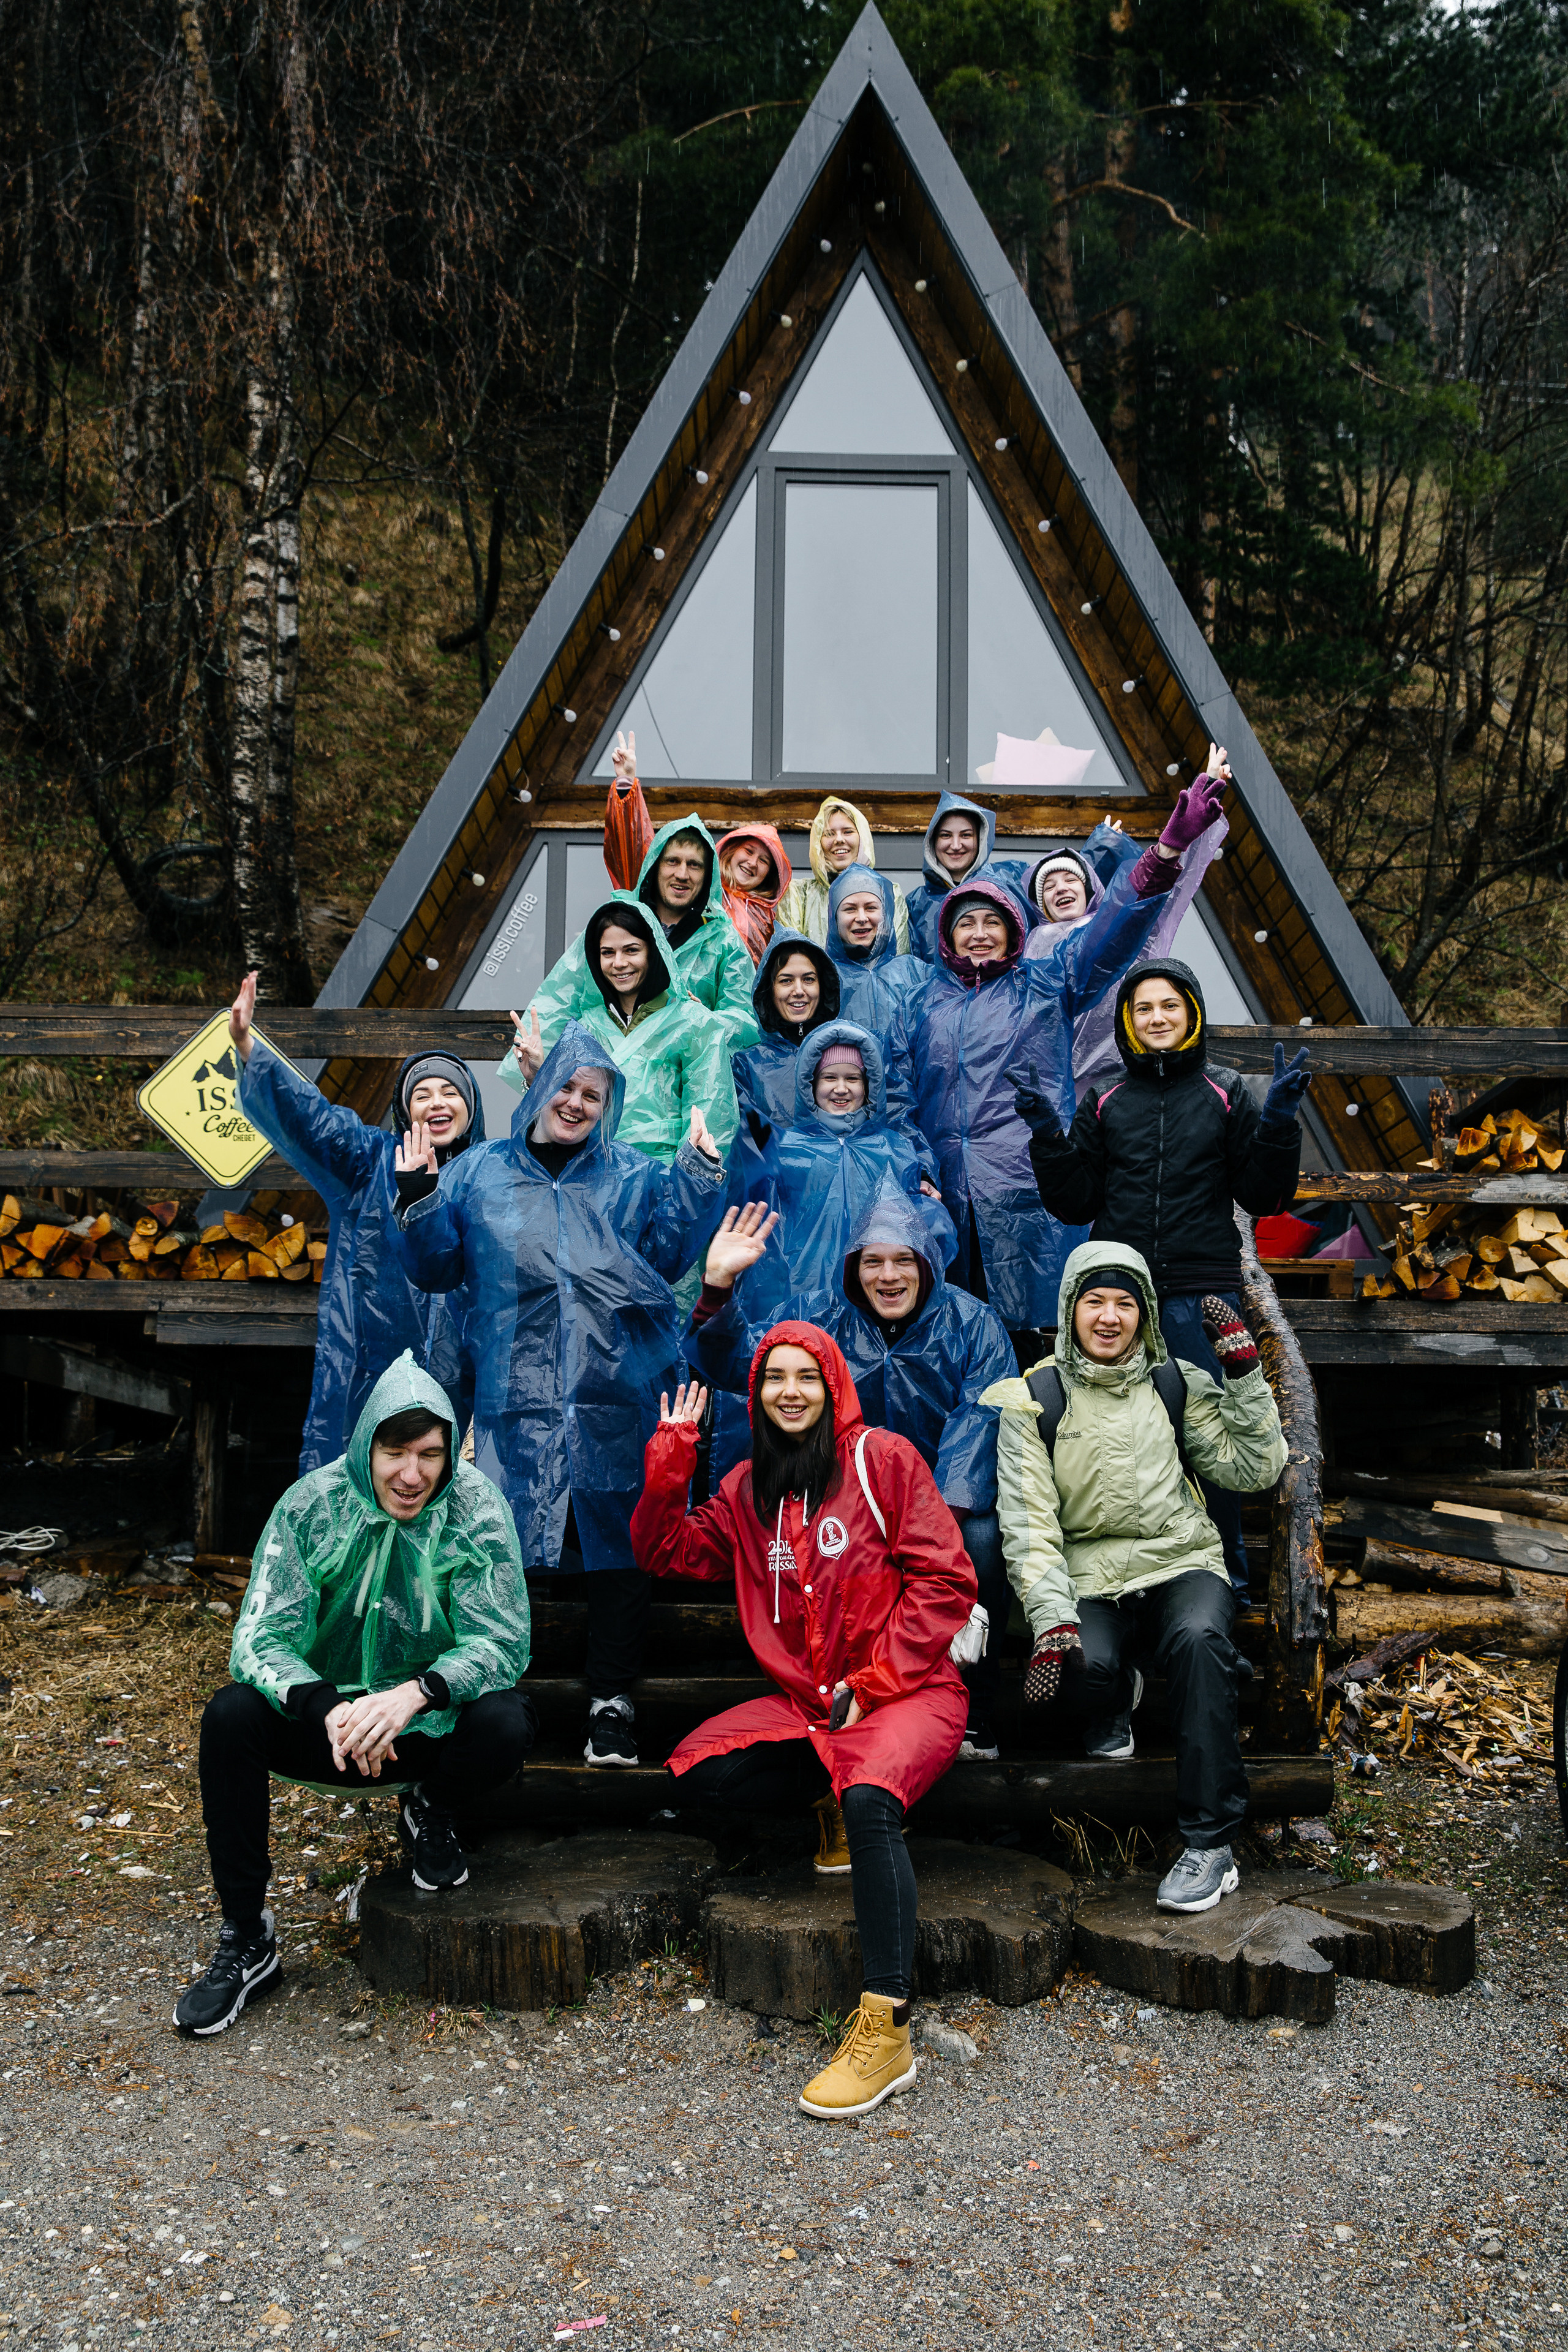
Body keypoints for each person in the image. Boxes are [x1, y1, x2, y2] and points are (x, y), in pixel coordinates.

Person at [630, 1329, 976, 2117]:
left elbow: (946, 1583)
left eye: (806, 1377)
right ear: (756, 1397)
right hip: (814, 1707)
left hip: (908, 1692)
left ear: (833, 1387)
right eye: (774, 1379)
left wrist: (875, 1681)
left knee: (871, 1798)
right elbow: (665, 1552)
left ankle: (886, 2029)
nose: (790, 1392)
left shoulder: (881, 1460)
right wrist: (672, 1456)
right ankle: (830, 1798)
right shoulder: (748, 1488)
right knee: (700, 1770)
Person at [393, 1020, 728, 1768]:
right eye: (567, 1087)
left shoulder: (633, 1175)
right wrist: (418, 1196)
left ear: (608, 1105)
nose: (576, 1103)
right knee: (504, 1547)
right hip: (513, 1396)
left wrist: (698, 1175)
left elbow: (668, 1254)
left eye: (593, 1094)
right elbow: (436, 1269)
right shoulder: (478, 1172)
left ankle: (611, 1705)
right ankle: (499, 1700)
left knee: (618, 1550)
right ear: (541, 1087)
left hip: (613, 1393)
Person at [177, 1354, 533, 2035]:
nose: (412, 1474)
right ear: (366, 1446)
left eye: (429, 1455)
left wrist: (415, 1695)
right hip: (332, 1731)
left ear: (448, 1454)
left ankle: (432, 1809)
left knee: (506, 1718)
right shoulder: (311, 1505)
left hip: (424, 1730)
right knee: (229, 1714)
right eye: (395, 1452)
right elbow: (260, 1636)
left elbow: (501, 1639)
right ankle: (247, 1936)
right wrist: (329, 1708)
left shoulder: (476, 1507)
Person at [981, 1243, 1286, 1913]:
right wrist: (1052, 1618)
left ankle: (1211, 1843)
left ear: (1144, 1313)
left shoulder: (1175, 1383)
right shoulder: (1036, 1399)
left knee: (1201, 1641)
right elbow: (1030, 1525)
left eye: (1125, 1302)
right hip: (1089, 1575)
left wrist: (1243, 1377)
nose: (1109, 1317)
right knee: (1077, 1671)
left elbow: (1252, 1469)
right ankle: (1123, 1691)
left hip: (1180, 1560)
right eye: (1095, 1301)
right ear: (1071, 1309)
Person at [888, 779, 1221, 1362]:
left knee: (1045, 1344)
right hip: (945, 1196)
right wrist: (916, 1166)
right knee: (953, 1338)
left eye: (992, 922)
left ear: (1014, 929)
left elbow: (1112, 928)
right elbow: (897, 1096)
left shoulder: (1046, 983)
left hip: (1027, 1190)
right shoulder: (919, 1003)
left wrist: (1166, 851)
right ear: (947, 934)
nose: (979, 933)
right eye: (966, 923)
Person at [1014, 956, 1309, 1591]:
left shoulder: (1225, 1091)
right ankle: (1123, 1579)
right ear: (1128, 1019)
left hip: (1201, 1294)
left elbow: (1264, 1194)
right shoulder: (1106, 1098)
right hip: (1119, 1295)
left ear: (1191, 1013)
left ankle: (1225, 1579)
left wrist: (1279, 1125)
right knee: (1121, 1437)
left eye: (1169, 1005)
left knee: (1211, 1436)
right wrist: (1047, 1137)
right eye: (1143, 1007)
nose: (1157, 1018)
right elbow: (1076, 1202)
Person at [690, 1188, 1015, 1758]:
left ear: (927, 1263)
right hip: (835, 1501)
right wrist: (718, 1288)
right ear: (852, 1268)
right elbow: (744, 1363)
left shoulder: (972, 1323)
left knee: (984, 1543)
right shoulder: (817, 1317)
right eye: (873, 1261)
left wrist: (933, 1516)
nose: (888, 1275)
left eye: (903, 1259)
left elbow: (980, 1418)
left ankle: (976, 1705)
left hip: (939, 1504)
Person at [228, 970, 483, 1474]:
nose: (437, 1102)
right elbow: (313, 1120)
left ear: (470, 1106)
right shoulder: (368, 1162)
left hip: (462, 1374)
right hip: (371, 1367)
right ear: (405, 1111)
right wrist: (249, 1049)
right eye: (423, 1094)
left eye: (450, 1092)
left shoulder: (490, 1173)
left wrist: (538, 1077)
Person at [1003, 749, 1231, 1090]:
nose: (1060, 888)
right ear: (1041, 907)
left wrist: (1206, 791)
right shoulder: (1032, 947)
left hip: (1129, 1076)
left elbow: (1175, 885)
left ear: (1090, 890)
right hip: (1059, 1085)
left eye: (1071, 880)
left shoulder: (1124, 927)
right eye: (1048, 886)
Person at [543, 734, 756, 1057]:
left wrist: (703, 1021)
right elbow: (561, 1001)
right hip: (609, 1077)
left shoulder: (723, 940)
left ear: (708, 876)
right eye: (672, 861)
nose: (682, 874)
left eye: (694, 865)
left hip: (686, 1081)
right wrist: (539, 1067)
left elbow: (746, 1021)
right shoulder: (621, 922)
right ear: (655, 867)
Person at [498, 891, 739, 1164]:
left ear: (654, 952)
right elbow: (562, 1120)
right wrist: (538, 1079)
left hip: (664, 1178)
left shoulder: (694, 1023)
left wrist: (681, 1183)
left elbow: (710, 1120)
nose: (619, 963)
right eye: (607, 953)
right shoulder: (585, 1027)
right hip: (589, 1179)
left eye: (631, 950)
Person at [737, 1023, 954, 1322]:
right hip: (801, 1293)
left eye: (852, 1078)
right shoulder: (785, 1149)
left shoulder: (894, 1149)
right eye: (829, 1078)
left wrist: (929, 1206)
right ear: (811, 1084)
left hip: (874, 1292)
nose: (841, 1089)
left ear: (869, 1085)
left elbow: (917, 1224)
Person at [732, 929, 842, 1164]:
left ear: (823, 986)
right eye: (786, 980)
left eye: (809, 979)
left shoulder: (846, 1053)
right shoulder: (746, 1066)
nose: (799, 990)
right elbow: (750, 1146)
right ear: (769, 989)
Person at [777, 794, 911, 952]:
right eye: (829, 834)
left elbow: (899, 957)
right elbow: (791, 957)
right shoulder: (799, 895)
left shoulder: (889, 892)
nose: (839, 840)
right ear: (817, 843)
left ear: (863, 839)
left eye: (848, 832)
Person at [824, 864, 929, 1048]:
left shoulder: (916, 972)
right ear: (835, 918)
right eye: (850, 909)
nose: (861, 918)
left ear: (886, 915)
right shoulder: (823, 978)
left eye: (871, 908)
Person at [906, 793, 995, 963]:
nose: (956, 846)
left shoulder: (1002, 890)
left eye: (966, 835)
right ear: (933, 841)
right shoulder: (916, 904)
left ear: (980, 839)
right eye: (946, 835)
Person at [715, 823, 793, 964]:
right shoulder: (706, 894)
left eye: (763, 861)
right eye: (749, 851)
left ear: (769, 875)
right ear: (732, 850)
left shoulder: (769, 920)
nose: (753, 863)